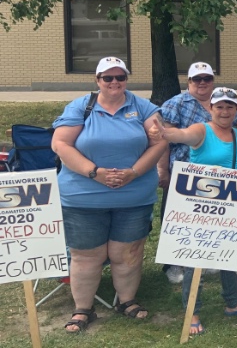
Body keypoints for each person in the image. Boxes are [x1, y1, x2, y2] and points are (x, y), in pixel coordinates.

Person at [52, 57, 166, 334]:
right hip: (83, 197)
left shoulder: (143, 107)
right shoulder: (81, 106)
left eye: (120, 77)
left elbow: (160, 141)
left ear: (126, 79)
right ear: (97, 80)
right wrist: (95, 172)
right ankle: (83, 309)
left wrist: (134, 172)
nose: (114, 82)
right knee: (85, 255)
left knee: (127, 252)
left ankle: (127, 301)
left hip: (133, 196)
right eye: (108, 78)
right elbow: (60, 143)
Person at [154, 88, 237, 334]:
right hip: (200, 206)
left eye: (230, 106)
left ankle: (233, 302)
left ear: (236, 110)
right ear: (210, 109)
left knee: (229, 255)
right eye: (219, 106)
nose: (224, 111)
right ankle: (193, 312)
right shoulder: (202, 130)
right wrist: (165, 132)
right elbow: (181, 134)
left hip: (232, 207)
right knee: (195, 260)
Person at [158, 62, 237, 284]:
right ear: (189, 82)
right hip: (183, 172)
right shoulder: (176, 103)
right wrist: (162, 169)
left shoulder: (222, 102)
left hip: (217, 174)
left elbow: (232, 130)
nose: (202, 83)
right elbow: (164, 139)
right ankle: (174, 264)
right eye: (197, 79)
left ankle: (208, 258)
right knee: (178, 220)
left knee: (209, 220)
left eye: (207, 78)